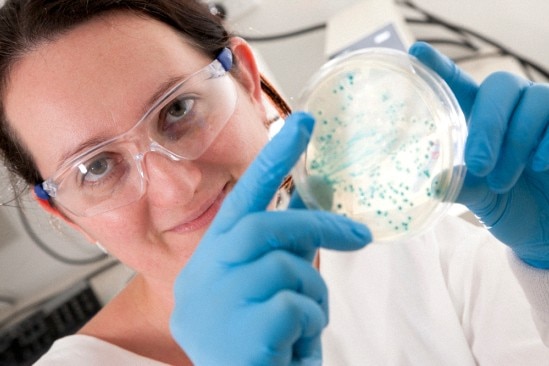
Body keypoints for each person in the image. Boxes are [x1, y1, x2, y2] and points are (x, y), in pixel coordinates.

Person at [0, 0, 547, 364]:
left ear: (247, 80)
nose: (177, 184)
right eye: (96, 167)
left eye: (178, 108)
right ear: (67, 216)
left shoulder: (416, 246)